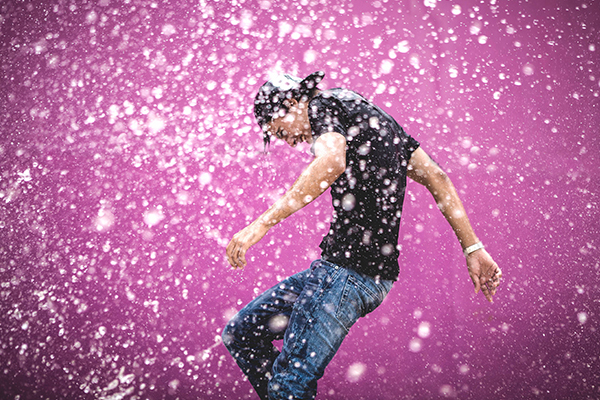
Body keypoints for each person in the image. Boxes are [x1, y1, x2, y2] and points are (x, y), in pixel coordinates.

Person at [222, 71, 502, 400]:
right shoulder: (369, 115)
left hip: (345, 274)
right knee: (241, 333)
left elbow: (331, 161)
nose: (291, 141)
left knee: (289, 385)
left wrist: (261, 224)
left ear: (293, 101)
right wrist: (473, 247)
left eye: (281, 131)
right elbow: (438, 177)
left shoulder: (322, 105)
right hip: (364, 277)